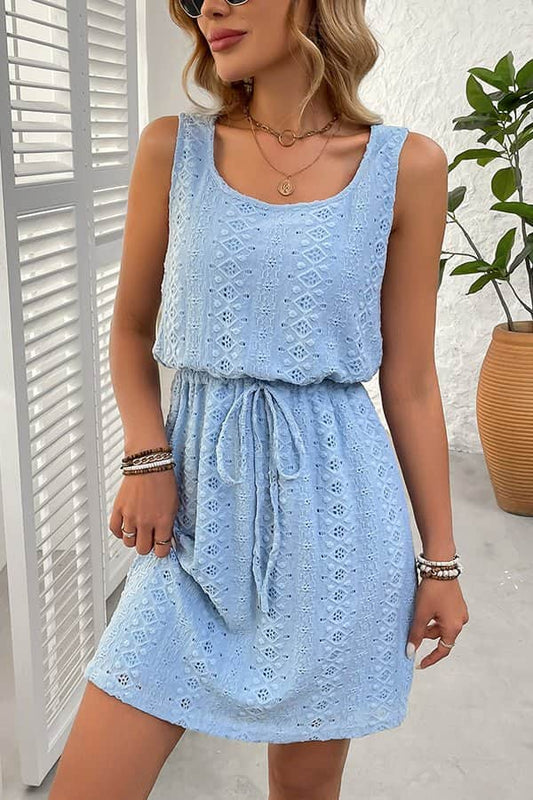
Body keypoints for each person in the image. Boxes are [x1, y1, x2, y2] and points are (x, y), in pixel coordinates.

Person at [49, 1, 469, 798]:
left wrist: (440, 563)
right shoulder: (172, 149)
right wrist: (146, 456)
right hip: (192, 517)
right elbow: (130, 330)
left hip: (336, 520)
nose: (210, 6)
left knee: (304, 791)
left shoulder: (407, 167)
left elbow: (411, 381)